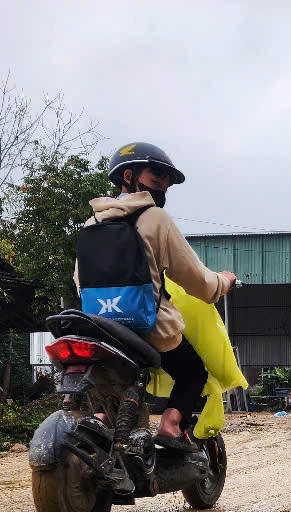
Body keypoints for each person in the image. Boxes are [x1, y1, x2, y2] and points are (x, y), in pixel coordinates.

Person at [76, 141, 236, 452]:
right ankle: (170, 425)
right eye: (157, 174)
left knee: (113, 383)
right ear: (128, 176)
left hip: (99, 326)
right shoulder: (154, 219)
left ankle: (102, 421)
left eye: (167, 179)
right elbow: (198, 281)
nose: (164, 183)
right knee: (193, 373)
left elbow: (80, 281)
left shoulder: (91, 224)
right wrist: (224, 282)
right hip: (147, 326)